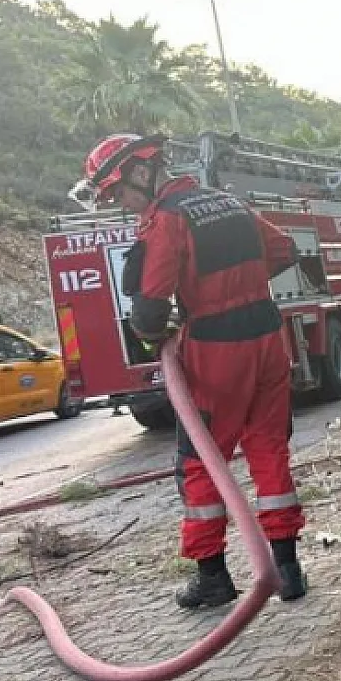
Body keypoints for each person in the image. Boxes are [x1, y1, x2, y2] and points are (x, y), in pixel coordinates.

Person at [74, 134, 308, 608]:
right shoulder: (230, 203)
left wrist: (172, 320)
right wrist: (239, 289)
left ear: (142, 171)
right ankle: (288, 570)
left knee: (201, 461)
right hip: (267, 335)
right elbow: (285, 251)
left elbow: (149, 313)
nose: (122, 205)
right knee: (269, 450)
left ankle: (213, 578)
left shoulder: (165, 221)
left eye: (119, 193)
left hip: (215, 349)